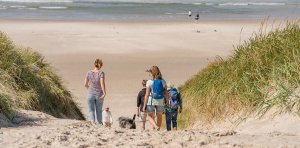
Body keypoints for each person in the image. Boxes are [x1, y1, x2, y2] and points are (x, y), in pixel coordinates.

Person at [143, 66, 169, 131]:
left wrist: (144, 105)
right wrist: (167, 101)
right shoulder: (163, 81)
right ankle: (158, 129)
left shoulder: (149, 82)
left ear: (151, 73)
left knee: (149, 116)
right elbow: (166, 93)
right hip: (160, 100)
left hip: (151, 100)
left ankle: (155, 126)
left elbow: (147, 94)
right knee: (159, 116)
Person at [84, 59, 106, 124]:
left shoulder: (89, 72)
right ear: (101, 65)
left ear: (94, 64)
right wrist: (104, 93)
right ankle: (99, 124)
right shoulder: (101, 73)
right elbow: (102, 83)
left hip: (90, 94)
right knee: (99, 110)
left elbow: (85, 84)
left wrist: (90, 89)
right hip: (99, 94)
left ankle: (92, 123)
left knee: (91, 110)